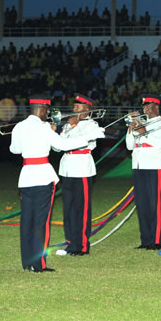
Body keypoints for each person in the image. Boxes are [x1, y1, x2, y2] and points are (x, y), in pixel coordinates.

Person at [9, 95, 88, 272]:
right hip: (43, 176)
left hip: (26, 176)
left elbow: (15, 149)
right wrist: (86, 139)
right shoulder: (44, 127)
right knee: (41, 222)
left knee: (27, 221)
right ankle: (39, 264)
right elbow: (63, 145)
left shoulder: (19, 126)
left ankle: (27, 262)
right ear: (42, 109)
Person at [54, 93, 105, 257]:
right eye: (74, 106)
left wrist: (74, 128)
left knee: (80, 208)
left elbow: (85, 142)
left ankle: (81, 246)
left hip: (82, 168)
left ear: (87, 109)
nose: (74, 109)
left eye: (78, 107)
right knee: (68, 209)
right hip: (67, 169)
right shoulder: (69, 125)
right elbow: (57, 147)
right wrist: (56, 132)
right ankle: (70, 242)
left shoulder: (92, 125)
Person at [125, 93, 161, 250]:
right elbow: (130, 146)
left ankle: (156, 241)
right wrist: (131, 130)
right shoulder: (141, 123)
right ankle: (145, 240)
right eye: (145, 105)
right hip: (138, 166)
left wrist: (143, 131)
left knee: (154, 205)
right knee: (142, 205)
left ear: (157, 106)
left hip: (154, 166)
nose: (146, 108)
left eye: (150, 105)